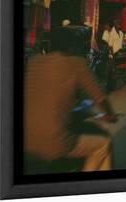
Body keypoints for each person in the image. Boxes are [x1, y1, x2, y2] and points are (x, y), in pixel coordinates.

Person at [24, 26, 118, 172]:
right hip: (53, 143)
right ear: (73, 45)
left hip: (23, 140)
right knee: (102, 144)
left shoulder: (34, 61)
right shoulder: (76, 63)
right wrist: (110, 115)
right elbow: (100, 98)